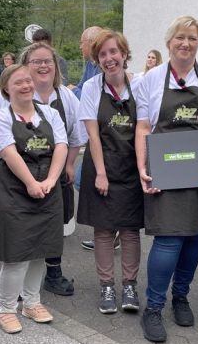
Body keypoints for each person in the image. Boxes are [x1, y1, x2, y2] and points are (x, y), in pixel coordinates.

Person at [134, 16, 198, 343]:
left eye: (192, 38)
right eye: (180, 37)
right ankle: (153, 306)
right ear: (169, 42)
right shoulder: (151, 79)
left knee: (193, 237)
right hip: (166, 169)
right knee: (169, 238)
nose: (186, 43)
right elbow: (144, 127)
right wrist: (142, 166)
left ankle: (181, 296)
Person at [0, 64, 68, 334]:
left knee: (41, 251)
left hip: (47, 192)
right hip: (15, 193)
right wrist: (30, 183)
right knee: (16, 256)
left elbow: (61, 145)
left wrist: (50, 180)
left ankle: (32, 302)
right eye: (18, 83)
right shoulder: (0, 119)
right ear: (6, 89)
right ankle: (6, 308)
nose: (26, 86)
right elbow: (9, 153)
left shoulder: (49, 113)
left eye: (28, 81)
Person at [77, 29, 144, 314]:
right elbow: (93, 136)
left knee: (129, 231)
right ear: (97, 60)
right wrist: (101, 173)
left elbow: (145, 128)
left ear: (124, 54)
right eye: (102, 54)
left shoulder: (139, 85)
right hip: (101, 164)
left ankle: (129, 285)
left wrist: (143, 169)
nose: (109, 58)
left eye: (113, 52)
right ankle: (106, 286)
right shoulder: (92, 88)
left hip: (131, 166)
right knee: (104, 230)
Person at [17, 42, 87, 296]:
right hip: (23, 173)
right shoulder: (16, 94)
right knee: (24, 225)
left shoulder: (66, 97)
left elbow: (75, 136)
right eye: (37, 61)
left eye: (48, 61)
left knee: (54, 224)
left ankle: (53, 274)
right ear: (26, 67)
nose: (44, 66)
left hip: (56, 173)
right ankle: (19, 278)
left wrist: (69, 165)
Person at [67, 25, 103, 250]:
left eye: (82, 42)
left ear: (91, 42)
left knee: (83, 180)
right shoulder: (89, 65)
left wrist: (73, 92)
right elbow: (81, 89)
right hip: (92, 134)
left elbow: (92, 95)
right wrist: (73, 91)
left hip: (103, 135)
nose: (80, 46)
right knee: (85, 181)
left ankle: (109, 230)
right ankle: (108, 230)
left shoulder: (101, 66)